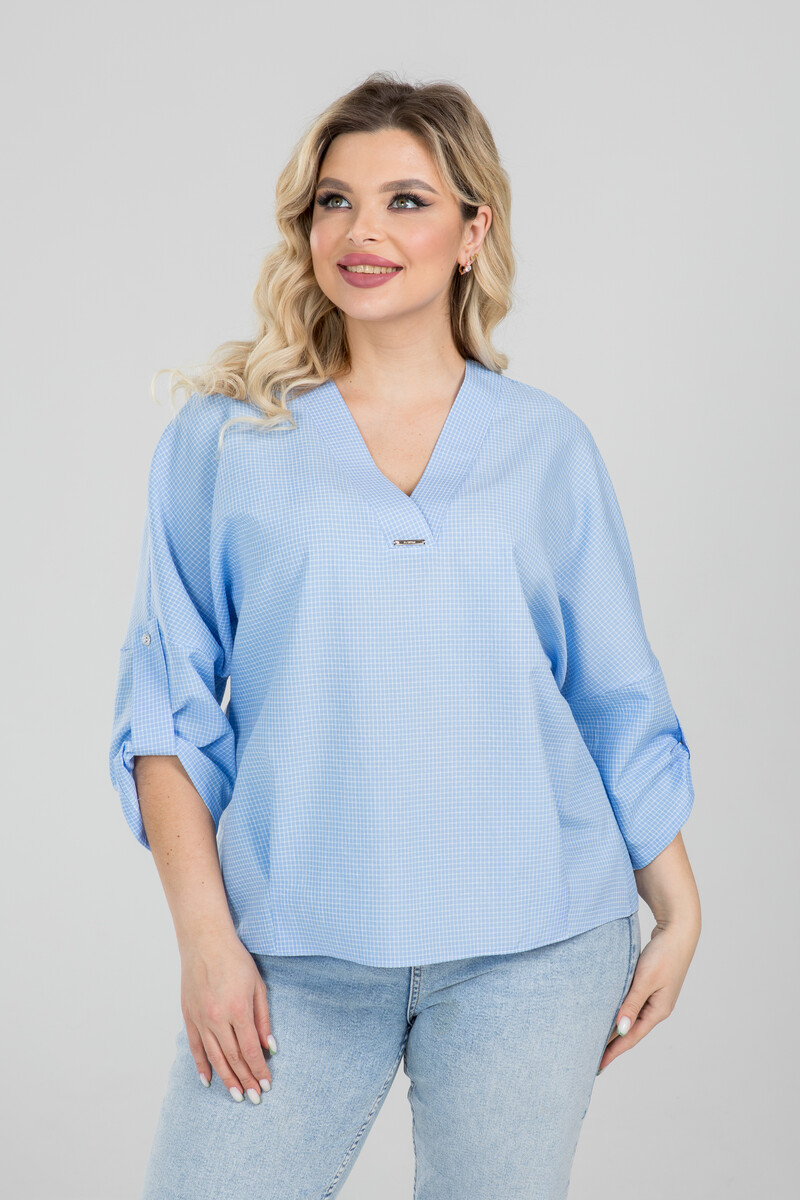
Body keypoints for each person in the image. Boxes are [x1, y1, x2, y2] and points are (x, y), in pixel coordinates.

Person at [109, 71, 701, 1200]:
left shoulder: (545, 447)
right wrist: (205, 941)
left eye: (406, 202)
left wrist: (678, 906)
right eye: (335, 201)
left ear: (473, 231)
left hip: (534, 944)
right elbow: (165, 711)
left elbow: (612, 696)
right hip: (291, 945)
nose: (362, 232)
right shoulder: (225, 442)